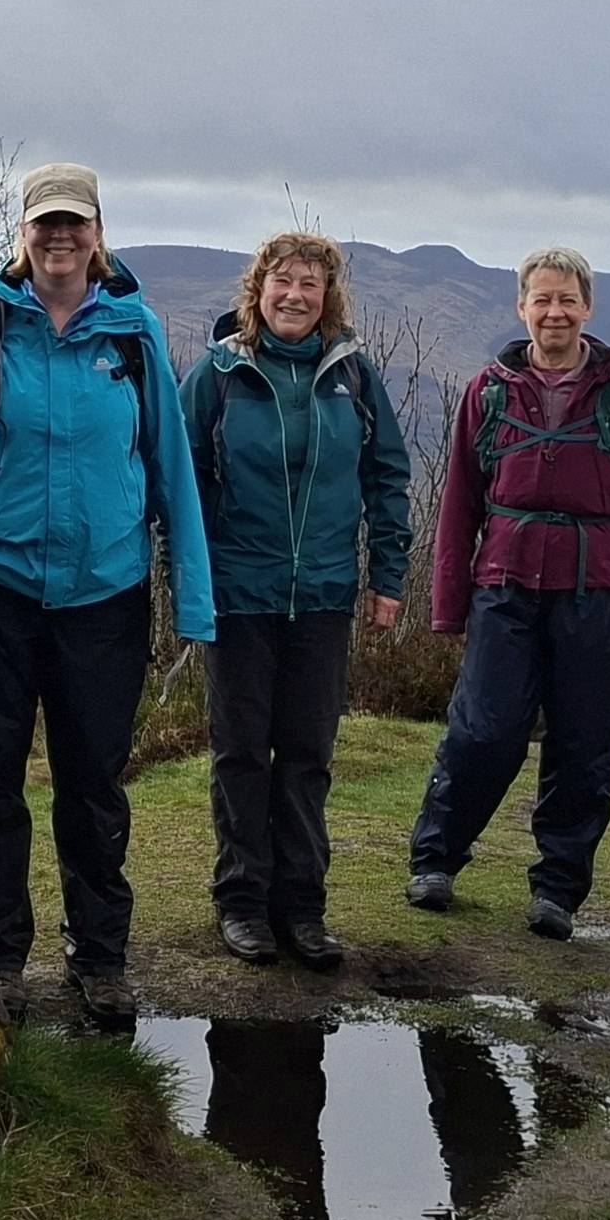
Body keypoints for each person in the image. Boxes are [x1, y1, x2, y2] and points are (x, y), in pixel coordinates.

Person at [0, 161, 217, 1027]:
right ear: (24, 235)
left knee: (92, 783)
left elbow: (172, 472)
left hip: (103, 596)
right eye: (45, 224)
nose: (60, 238)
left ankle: (101, 959)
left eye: (73, 223)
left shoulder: (134, 333)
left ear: (97, 234)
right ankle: (0, 956)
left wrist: (191, 598)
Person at [408, 245, 610, 940]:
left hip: (597, 593)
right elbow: (460, 503)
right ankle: (435, 860)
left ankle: (558, 889)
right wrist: (448, 603)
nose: (554, 312)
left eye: (568, 300)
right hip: (504, 584)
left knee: (584, 742)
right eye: (542, 300)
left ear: (587, 308)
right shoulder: (489, 391)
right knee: (482, 730)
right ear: (521, 307)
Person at [185, 231, 411, 968]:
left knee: (308, 755)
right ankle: (243, 904)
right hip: (237, 596)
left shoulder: (351, 376)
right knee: (242, 753)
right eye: (282, 281)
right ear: (257, 290)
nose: (295, 295)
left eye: (310, 284)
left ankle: (303, 910)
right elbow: (179, 486)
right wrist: (185, 580)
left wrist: (388, 575)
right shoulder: (219, 374)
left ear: (328, 297)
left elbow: (386, 476)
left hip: (322, 596)